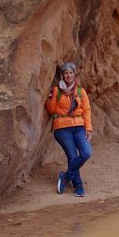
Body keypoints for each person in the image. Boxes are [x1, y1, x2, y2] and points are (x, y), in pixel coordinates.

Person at [45, 61, 93, 197]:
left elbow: (87, 110)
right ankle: (78, 186)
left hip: (79, 127)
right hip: (62, 128)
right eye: (66, 73)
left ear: (74, 74)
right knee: (72, 156)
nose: (68, 75)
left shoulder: (80, 91)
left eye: (71, 72)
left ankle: (66, 177)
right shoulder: (56, 91)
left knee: (86, 152)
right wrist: (51, 100)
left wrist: (88, 129)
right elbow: (51, 109)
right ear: (62, 75)